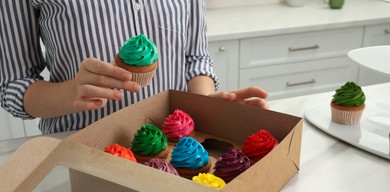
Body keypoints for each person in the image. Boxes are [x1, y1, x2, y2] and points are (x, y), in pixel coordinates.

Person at [0, 0, 268, 134]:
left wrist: (209, 104)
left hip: (172, 148)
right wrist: (72, 93)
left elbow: (195, 57)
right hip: (76, 153)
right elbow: (14, 83)